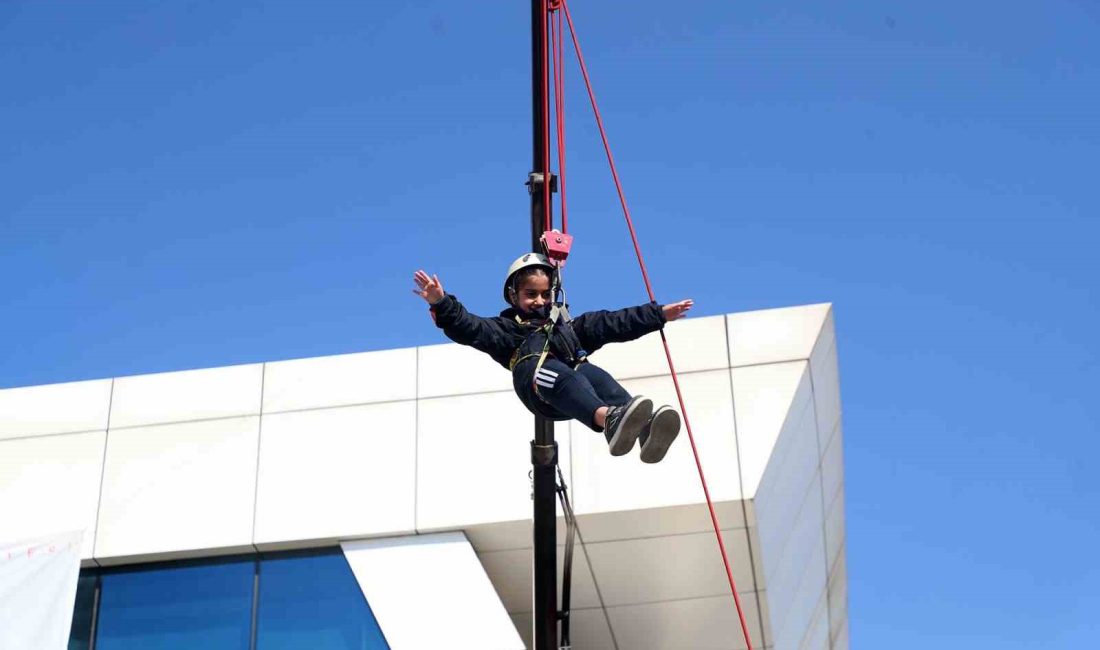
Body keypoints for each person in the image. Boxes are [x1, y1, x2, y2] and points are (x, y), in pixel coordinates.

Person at [412, 253, 693, 463]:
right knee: (556, 371)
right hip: (537, 386)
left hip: (571, 391)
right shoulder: (506, 330)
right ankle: (608, 419)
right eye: (531, 294)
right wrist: (441, 302)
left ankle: (641, 428)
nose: (539, 301)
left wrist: (658, 315)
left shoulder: (568, 329)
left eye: (546, 294)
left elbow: (611, 323)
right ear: (514, 295)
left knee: (591, 373)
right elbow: (469, 326)